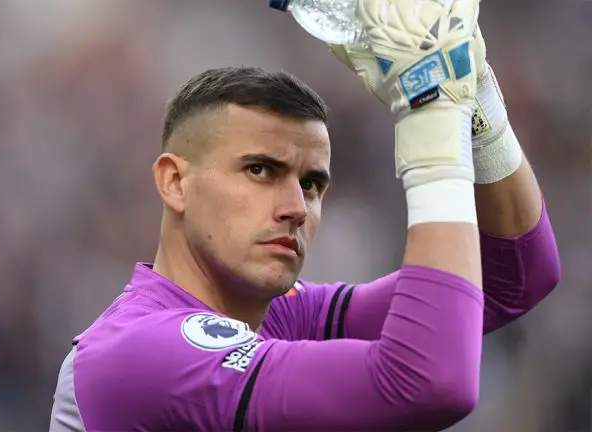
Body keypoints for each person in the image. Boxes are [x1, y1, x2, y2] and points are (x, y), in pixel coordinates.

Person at [49, 0, 561, 430]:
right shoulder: (140, 354)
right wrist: (430, 112)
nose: (297, 208)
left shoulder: (281, 315)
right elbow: (429, 381)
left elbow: (513, 277)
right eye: (259, 170)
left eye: (312, 183)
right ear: (175, 182)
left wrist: (473, 89)